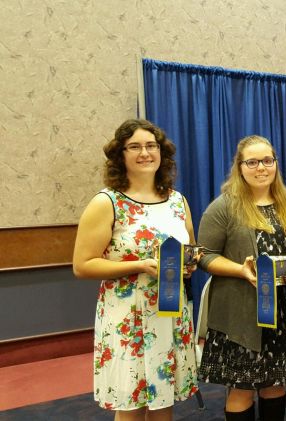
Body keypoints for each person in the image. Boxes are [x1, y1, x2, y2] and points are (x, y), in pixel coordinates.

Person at [72, 119, 198, 420]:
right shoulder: (107, 202)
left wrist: (188, 265)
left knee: (163, 400)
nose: (145, 153)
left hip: (170, 311)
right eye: (135, 147)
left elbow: (189, 249)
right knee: (131, 404)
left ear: (161, 153)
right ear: (121, 155)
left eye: (151, 146)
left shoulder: (177, 200)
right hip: (127, 317)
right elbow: (82, 264)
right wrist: (140, 265)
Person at [196, 135, 286, 421]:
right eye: (252, 162)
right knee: (242, 389)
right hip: (241, 314)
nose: (261, 168)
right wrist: (240, 270)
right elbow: (205, 256)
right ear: (240, 166)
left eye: (267, 161)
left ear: (275, 164)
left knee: (274, 384)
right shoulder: (223, 207)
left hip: (283, 312)